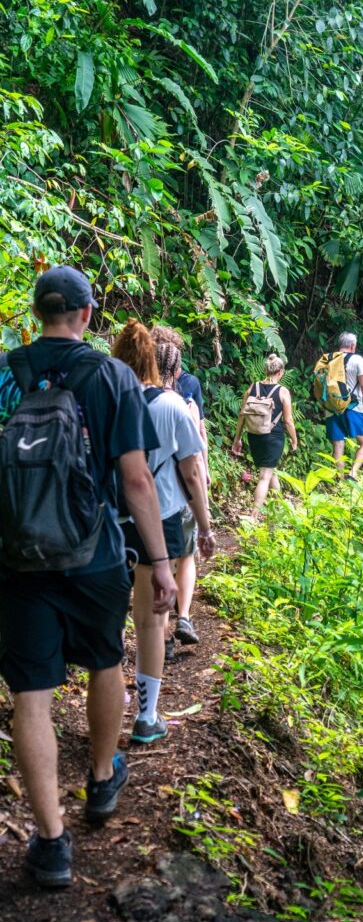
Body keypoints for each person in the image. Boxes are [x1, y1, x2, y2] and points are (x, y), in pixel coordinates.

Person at [0, 266, 176, 889]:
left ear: (38, 311)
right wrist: (160, 562)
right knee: (105, 660)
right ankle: (102, 778)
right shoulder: (113, 375)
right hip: (95, 553)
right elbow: (136, 480)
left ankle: (51, 843)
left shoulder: (5, 371)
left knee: (32, 695)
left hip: (17, 559)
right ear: (85, 312)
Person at [111, 322, 216, 744]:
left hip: (108, 519)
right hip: (162, 518)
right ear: (154, 359)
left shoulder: (105, 401)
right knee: (151, 622)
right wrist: (205, 526)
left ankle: (110, 691)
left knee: (111, 614)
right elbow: (192, 470)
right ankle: (146, 715)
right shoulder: (172, 405)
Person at [150, 325, 208, 652]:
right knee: (185, 556)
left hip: (140, 501)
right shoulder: (184, 398)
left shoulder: (132, 395)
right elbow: (196, 452)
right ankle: (183, 616)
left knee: (156, 567)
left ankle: (162, 636)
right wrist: (207, 520)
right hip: (177, 497)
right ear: (175, 363)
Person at [232, 353, 298, 517]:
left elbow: (242, 415)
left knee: (271, 472)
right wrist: (294, 440)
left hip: (254, 435)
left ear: (266, 370)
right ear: (280, 371)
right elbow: (288, 420)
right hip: (273, 437)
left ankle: (279, 511)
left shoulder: (252, 387)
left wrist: (237, 438)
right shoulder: (283, 392)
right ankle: (254, 516)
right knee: (264, 476)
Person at [324, 332, 363, 480]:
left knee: (338, 443)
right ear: (353, 345)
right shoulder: (357, 359)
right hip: (353, 407)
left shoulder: (328, 359)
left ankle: (340, 479)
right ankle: (352, 473)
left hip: (331, 407)